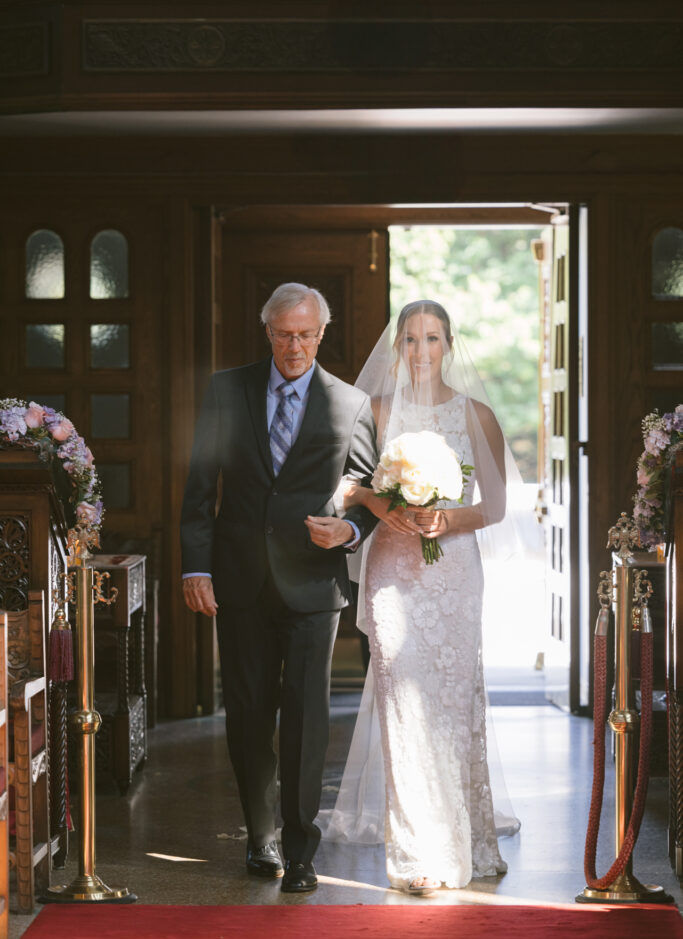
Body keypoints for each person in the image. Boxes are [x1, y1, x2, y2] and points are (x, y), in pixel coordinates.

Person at [180, 282, 378, 894]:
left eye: (307, 334)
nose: (296, 346)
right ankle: (260, 834)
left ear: (323, 334)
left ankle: (299, 850)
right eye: (285, 334)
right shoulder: (225, 388)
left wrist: (347, 528)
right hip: (239, 581)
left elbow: (369, 487)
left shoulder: (351, 404)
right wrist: (196, 567)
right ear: (267, 332)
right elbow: (198, 486)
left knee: (306, 719)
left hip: (314, 586)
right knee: (247, 715)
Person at [323, 299, 522, 895]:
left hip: (455, 571)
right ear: (397, 349)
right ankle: (417, 855)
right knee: (403, 707)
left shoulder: (478, 415)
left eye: (432, 339)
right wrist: (390, 506)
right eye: (410, 340)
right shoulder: (375, 411)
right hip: (393, 571)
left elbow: (495, 506)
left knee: (453, 705)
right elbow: (349, 487)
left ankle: (467, 842)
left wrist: (445, 522)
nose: (420, 352)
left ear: (449, 347)